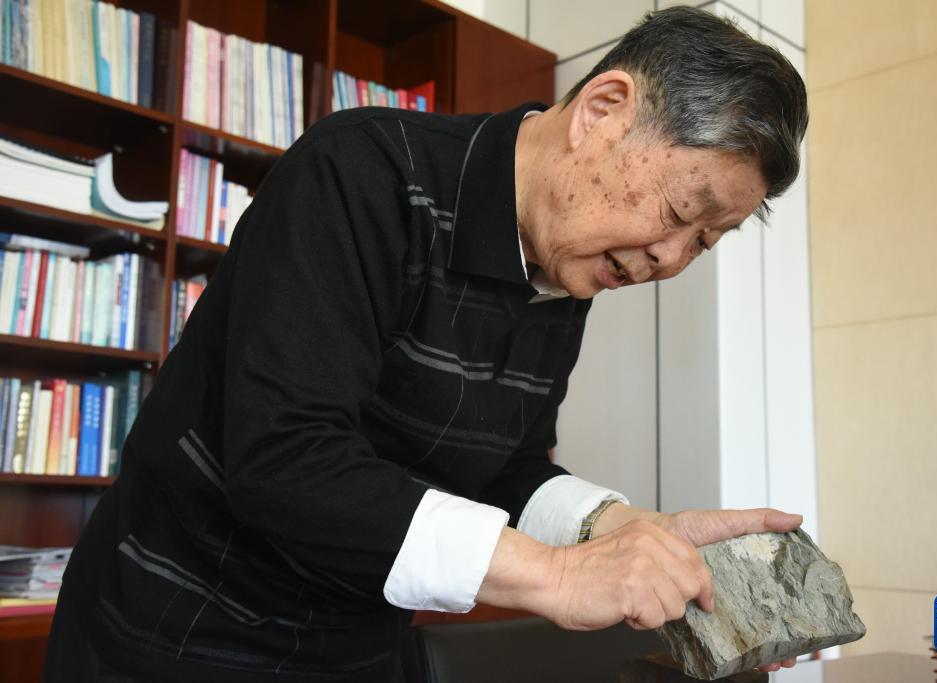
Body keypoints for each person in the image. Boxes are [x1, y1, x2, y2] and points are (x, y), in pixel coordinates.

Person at [45, 6, 808, 682]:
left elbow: (505, 467)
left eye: (704, 241)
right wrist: (556, 575)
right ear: (603, 109)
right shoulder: (362, 171)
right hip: (176, 633)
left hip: (359, 644)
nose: (670, 258)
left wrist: (622, 527)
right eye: (679, 211)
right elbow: (287, 457)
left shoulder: (568, 267)